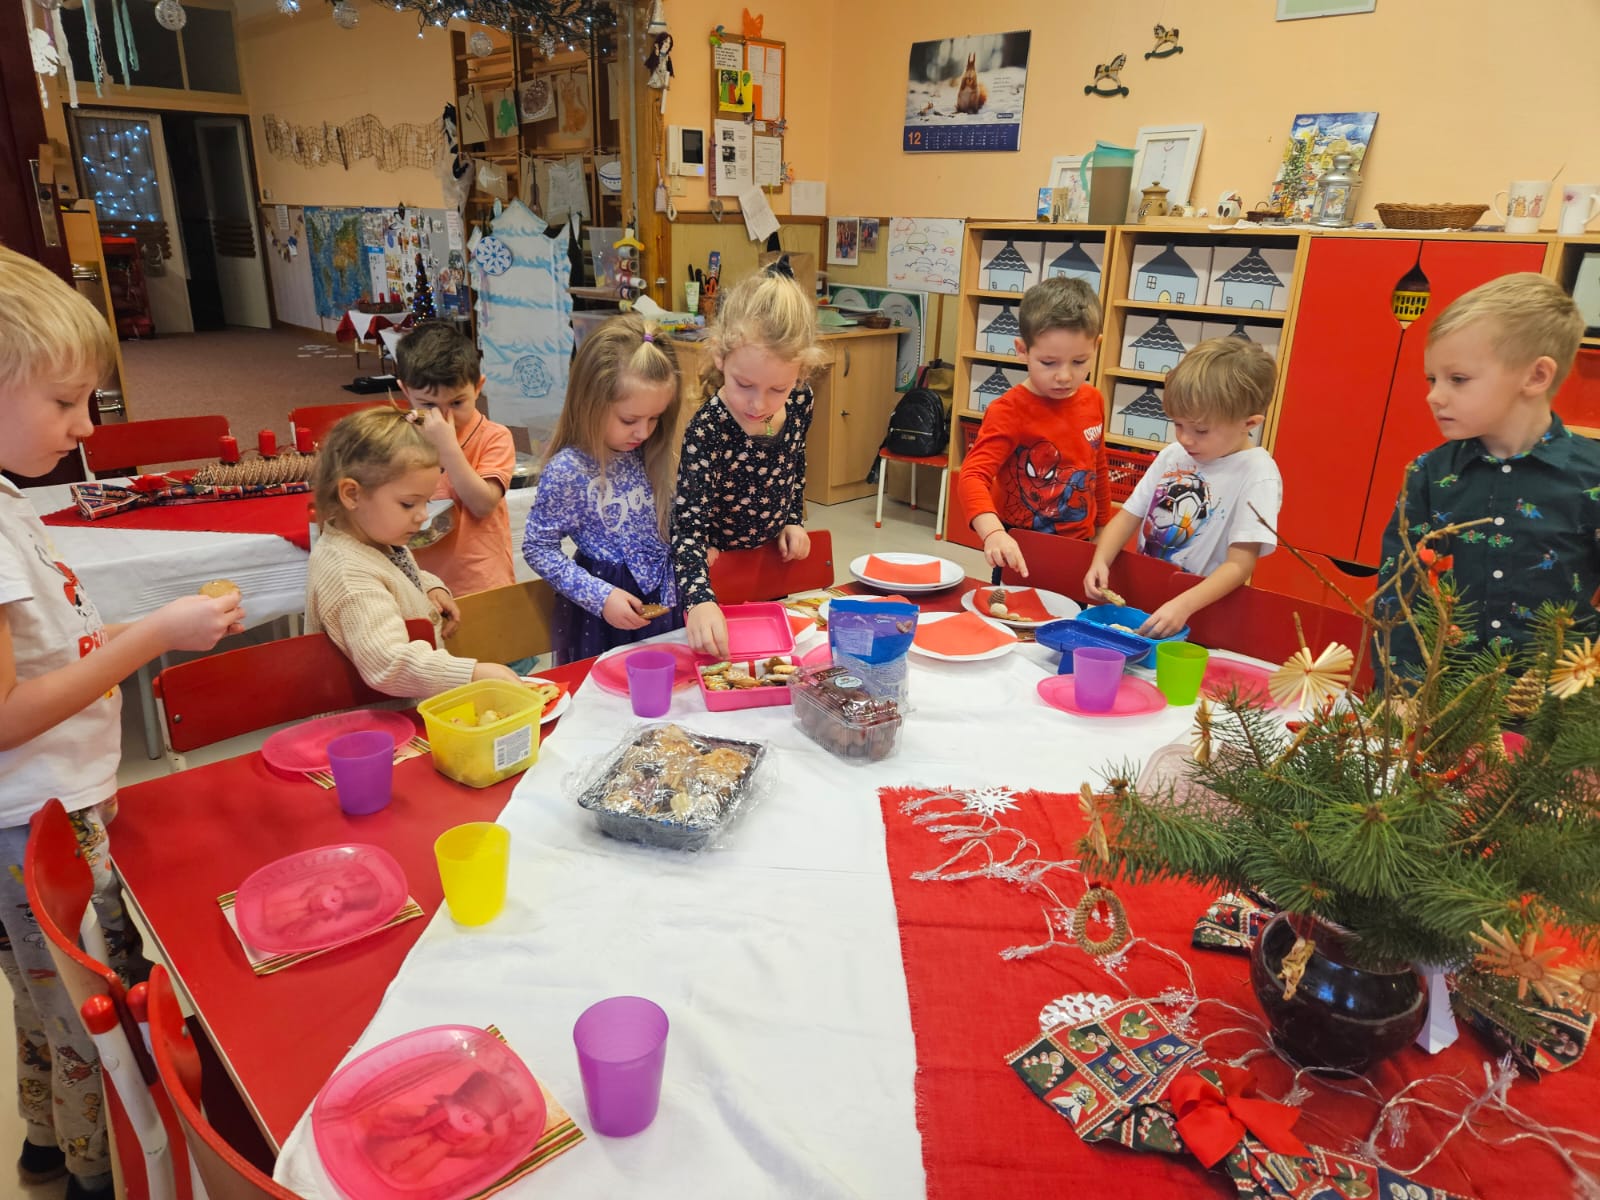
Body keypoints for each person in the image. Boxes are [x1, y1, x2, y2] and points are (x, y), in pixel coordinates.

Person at [0, 245, 244, 1200]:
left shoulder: (10, 494)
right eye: (64, 401)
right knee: (90, 1010)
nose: (86, 425)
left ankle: (47, 1145)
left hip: (53, 803)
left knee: (45, 995)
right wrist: (149, 637)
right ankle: (100, 1171)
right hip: (40, 819)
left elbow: (43, 651)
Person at [1376, 272, 1599, 673]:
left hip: (1557, 699)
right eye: (1432, 379)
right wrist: (1399, 689)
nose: (1433, 396)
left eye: (1458, 379)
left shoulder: (1592, 477)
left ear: (1536, 376)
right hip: (1441, 693)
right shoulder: (1429, 473)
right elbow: (1399, 592)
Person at [305, 407, 520, 697]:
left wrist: (430, 586)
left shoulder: (377, 537)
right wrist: (471, 674)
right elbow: (389, 661)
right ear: (352, 494)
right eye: (408, 504)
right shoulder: (347, 576)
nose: (422, 516)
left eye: (426, 502)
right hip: (372, 721)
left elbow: (398, 575)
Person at [672, 268, 825, 659]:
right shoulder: (708, 428)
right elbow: (687, 525)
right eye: (744, 385)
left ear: (800, 374)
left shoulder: (800, 400)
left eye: (777, 388)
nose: (759, 404)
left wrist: (793, 519)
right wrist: (698, 599)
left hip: (770, 567)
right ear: (720, 357)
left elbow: (795, 462)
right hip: (715, 580)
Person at [1085, 338, 1283, 637]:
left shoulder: (1257, 474)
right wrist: (1100, 560)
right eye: (1178, 425)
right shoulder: (1174, 455)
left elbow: (1240, 565)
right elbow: (1127, 516)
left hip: (1200, 616)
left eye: (1201, 430)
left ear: (1249, 423)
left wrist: (1184, 605)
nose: (1186, 439)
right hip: (1148, 601)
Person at [522, 315, 684, 663]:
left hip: (665, 604)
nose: (643, 432)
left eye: (655, 418)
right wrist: (599, 595)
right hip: (606, 618)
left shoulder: (651, 453)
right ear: (590, 403)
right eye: (629, 420)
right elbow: (538, 547)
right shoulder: (569, 470)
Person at [956, 275, 1109, 579]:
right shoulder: (1009, 410)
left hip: (1080, 547)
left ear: (1097, 346)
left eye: (1079, 361)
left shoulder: (1093, 400)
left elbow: (1099, 469)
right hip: (1021, 552)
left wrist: (1104, 535)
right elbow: (972, 476)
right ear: (1022, 349)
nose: (1064, 376)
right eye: (1049, 363)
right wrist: (993, 533)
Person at [393, 320, 517, 597]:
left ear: (478, 387)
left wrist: (448, 448)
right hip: (420, 583)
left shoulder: (494, 437)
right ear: (405, 391)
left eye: (457, 403)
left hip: (481, 582)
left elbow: (482, 504)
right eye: (429, 405)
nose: (444, 416)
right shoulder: (398, 437)